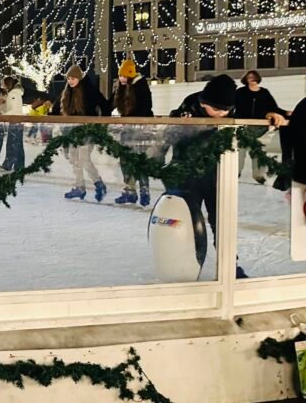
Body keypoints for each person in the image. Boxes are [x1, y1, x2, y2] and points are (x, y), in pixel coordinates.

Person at [170, 74, 285, 278]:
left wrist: (271, 115)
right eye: (215, 109)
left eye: (225, 110)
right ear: (203, 102)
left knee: (222, 222)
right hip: (188, 175)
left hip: (218, 174)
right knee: (187, 223)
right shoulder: (189, 105)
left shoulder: (233, 108)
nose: (220, 114)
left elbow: (253, 119)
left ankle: (230, 267)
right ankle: (186, 267)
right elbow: (173, 132)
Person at [53, 64, 110, 201]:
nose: (70, 81)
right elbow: (56, 108)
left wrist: (101, 124)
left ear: (79, 77)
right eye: (68, 79)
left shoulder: (89, 89)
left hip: (87, 130)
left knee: (84, 159)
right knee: (74, 160)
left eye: (73, 78)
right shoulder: (67, 91)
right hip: (72, 131)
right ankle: (79, 187)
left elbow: (105, 105)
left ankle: (98, 183)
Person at [111, 59, 155, 206]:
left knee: (139, 160)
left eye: (123, 76)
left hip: (141, 130)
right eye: (120, 76)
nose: (121, 79)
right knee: (125, 160)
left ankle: (144, 192)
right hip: (127, 129)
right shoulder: (122, 88)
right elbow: (110, 103)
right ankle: (130, 191)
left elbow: (146, 107)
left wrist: (138, 123)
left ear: (130, 75)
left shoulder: (140, 86)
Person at [234, 70, 282, 184]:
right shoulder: (240, 92)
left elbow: (274, 108)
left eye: (254, 77)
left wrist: (286, 113)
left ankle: (258, 175)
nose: (252, 79)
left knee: (259, 152)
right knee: (240, 151)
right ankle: (236, 172)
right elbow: (232, 106)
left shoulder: (264, 93)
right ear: (246, 80)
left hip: (260, 128)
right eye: (249, 77)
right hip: (243, 127)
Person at [0, 76, 25, 171]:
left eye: (3, 83)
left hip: (15, 122)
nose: (2, 86)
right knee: (16, 144)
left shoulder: (13, 94)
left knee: (12, 144)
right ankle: (18, 166)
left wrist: (3, 115)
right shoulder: (14, 94)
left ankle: (9, 164)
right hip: (16, 122)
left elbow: (14, 110)